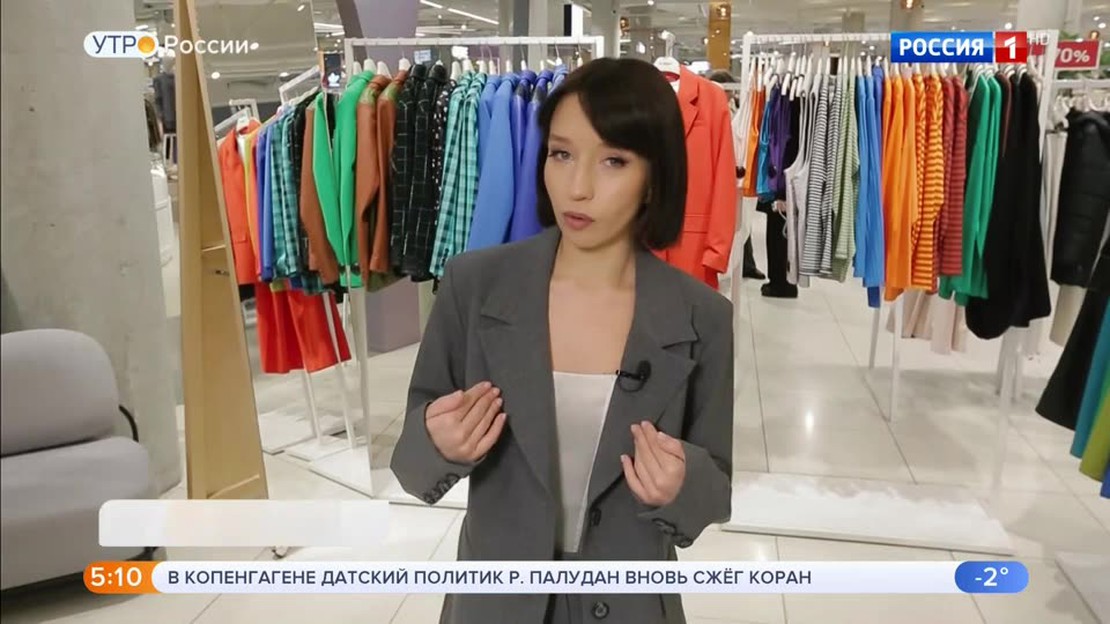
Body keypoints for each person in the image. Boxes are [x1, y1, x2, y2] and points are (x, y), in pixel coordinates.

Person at [392, 58, 735, 624]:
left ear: (656, 175)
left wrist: (679, 484)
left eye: (614, 161)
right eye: (561, 154)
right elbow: (410, 461)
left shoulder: (702, 317)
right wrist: (437, 442)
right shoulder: (474, 286)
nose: (578, 188)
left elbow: (714, 493)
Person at [706, 69, 765, 281]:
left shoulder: (732, 108)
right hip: (721, 176)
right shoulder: (711, 110)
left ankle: (746, 264)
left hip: (735, 176)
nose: (732, 96)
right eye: (729, 92)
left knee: (740, 224)